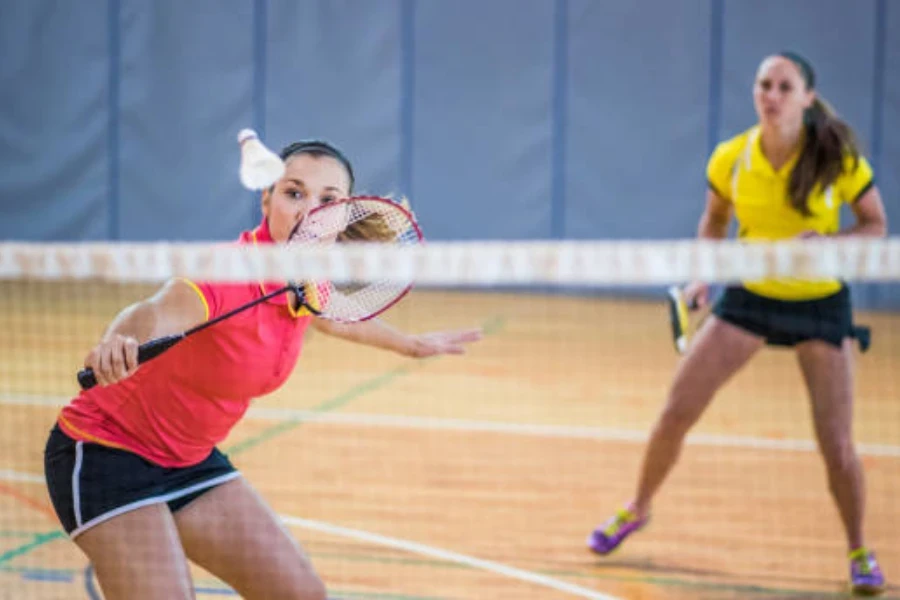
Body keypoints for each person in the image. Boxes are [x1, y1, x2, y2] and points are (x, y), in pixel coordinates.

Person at [43, 139, 483, 600]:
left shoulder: (305, 281)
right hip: (105, 453)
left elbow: (334, 318)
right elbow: (155, 311)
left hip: (189, 462)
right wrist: (122, 340)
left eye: (328, 201)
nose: (310, 211)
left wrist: (410, 345)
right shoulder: (228, 271)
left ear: (344, 215)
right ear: (266, 199)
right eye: (295, 193)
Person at [587, 52, 888, 596]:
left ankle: (860, 549)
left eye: (783, 86)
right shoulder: (732, 157)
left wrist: (829, 244)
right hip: (749, 293)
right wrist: (705, 276)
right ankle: (638, 507)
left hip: (820, 304)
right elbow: (715, 221)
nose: (770, 95)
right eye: (763, 85)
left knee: (837, 444)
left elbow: (875, 227)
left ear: (807, 98)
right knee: (676, 411)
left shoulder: (835, 157)